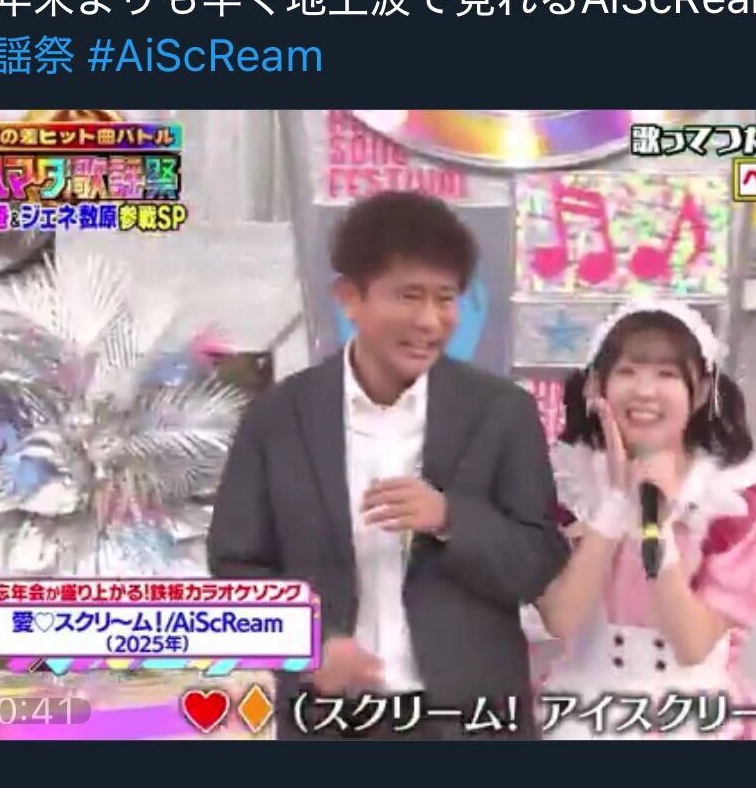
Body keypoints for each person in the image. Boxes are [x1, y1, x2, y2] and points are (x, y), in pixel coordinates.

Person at [208, 191, 569, 740]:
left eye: (445, 299)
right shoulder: (279, 417)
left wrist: (449, 518)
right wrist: (309, 643)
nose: (429, 320)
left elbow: (538, 562)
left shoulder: (502, 413)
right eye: (409, 296)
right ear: (349, 297)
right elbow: (236, 566)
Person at [534, 298, 756, 740]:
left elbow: (692, 644)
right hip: (582, 712)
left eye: (667, 374)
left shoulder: (737, 505)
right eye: (628, 371)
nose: (645, 391)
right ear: (597, 386)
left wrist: (656, 523)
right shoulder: (566, 490)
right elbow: (562, 619)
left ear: (701, 391)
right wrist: (615, 503)